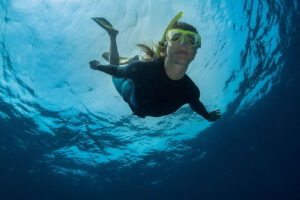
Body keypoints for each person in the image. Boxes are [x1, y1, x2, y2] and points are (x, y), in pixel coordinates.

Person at [89, 14, 221, 121]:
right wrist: (99, 66)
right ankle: (112, 36)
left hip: (138, 86)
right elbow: (117, 71)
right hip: (127, 88)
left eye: (191, 40)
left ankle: (131, 59)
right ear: (165, 45)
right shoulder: (141, 69)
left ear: (195, 51)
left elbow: (196, 105)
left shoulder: (191, 91)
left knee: (132, 68)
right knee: (116, 73)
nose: (183, 43)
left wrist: (207, 116)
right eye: (176, 37)